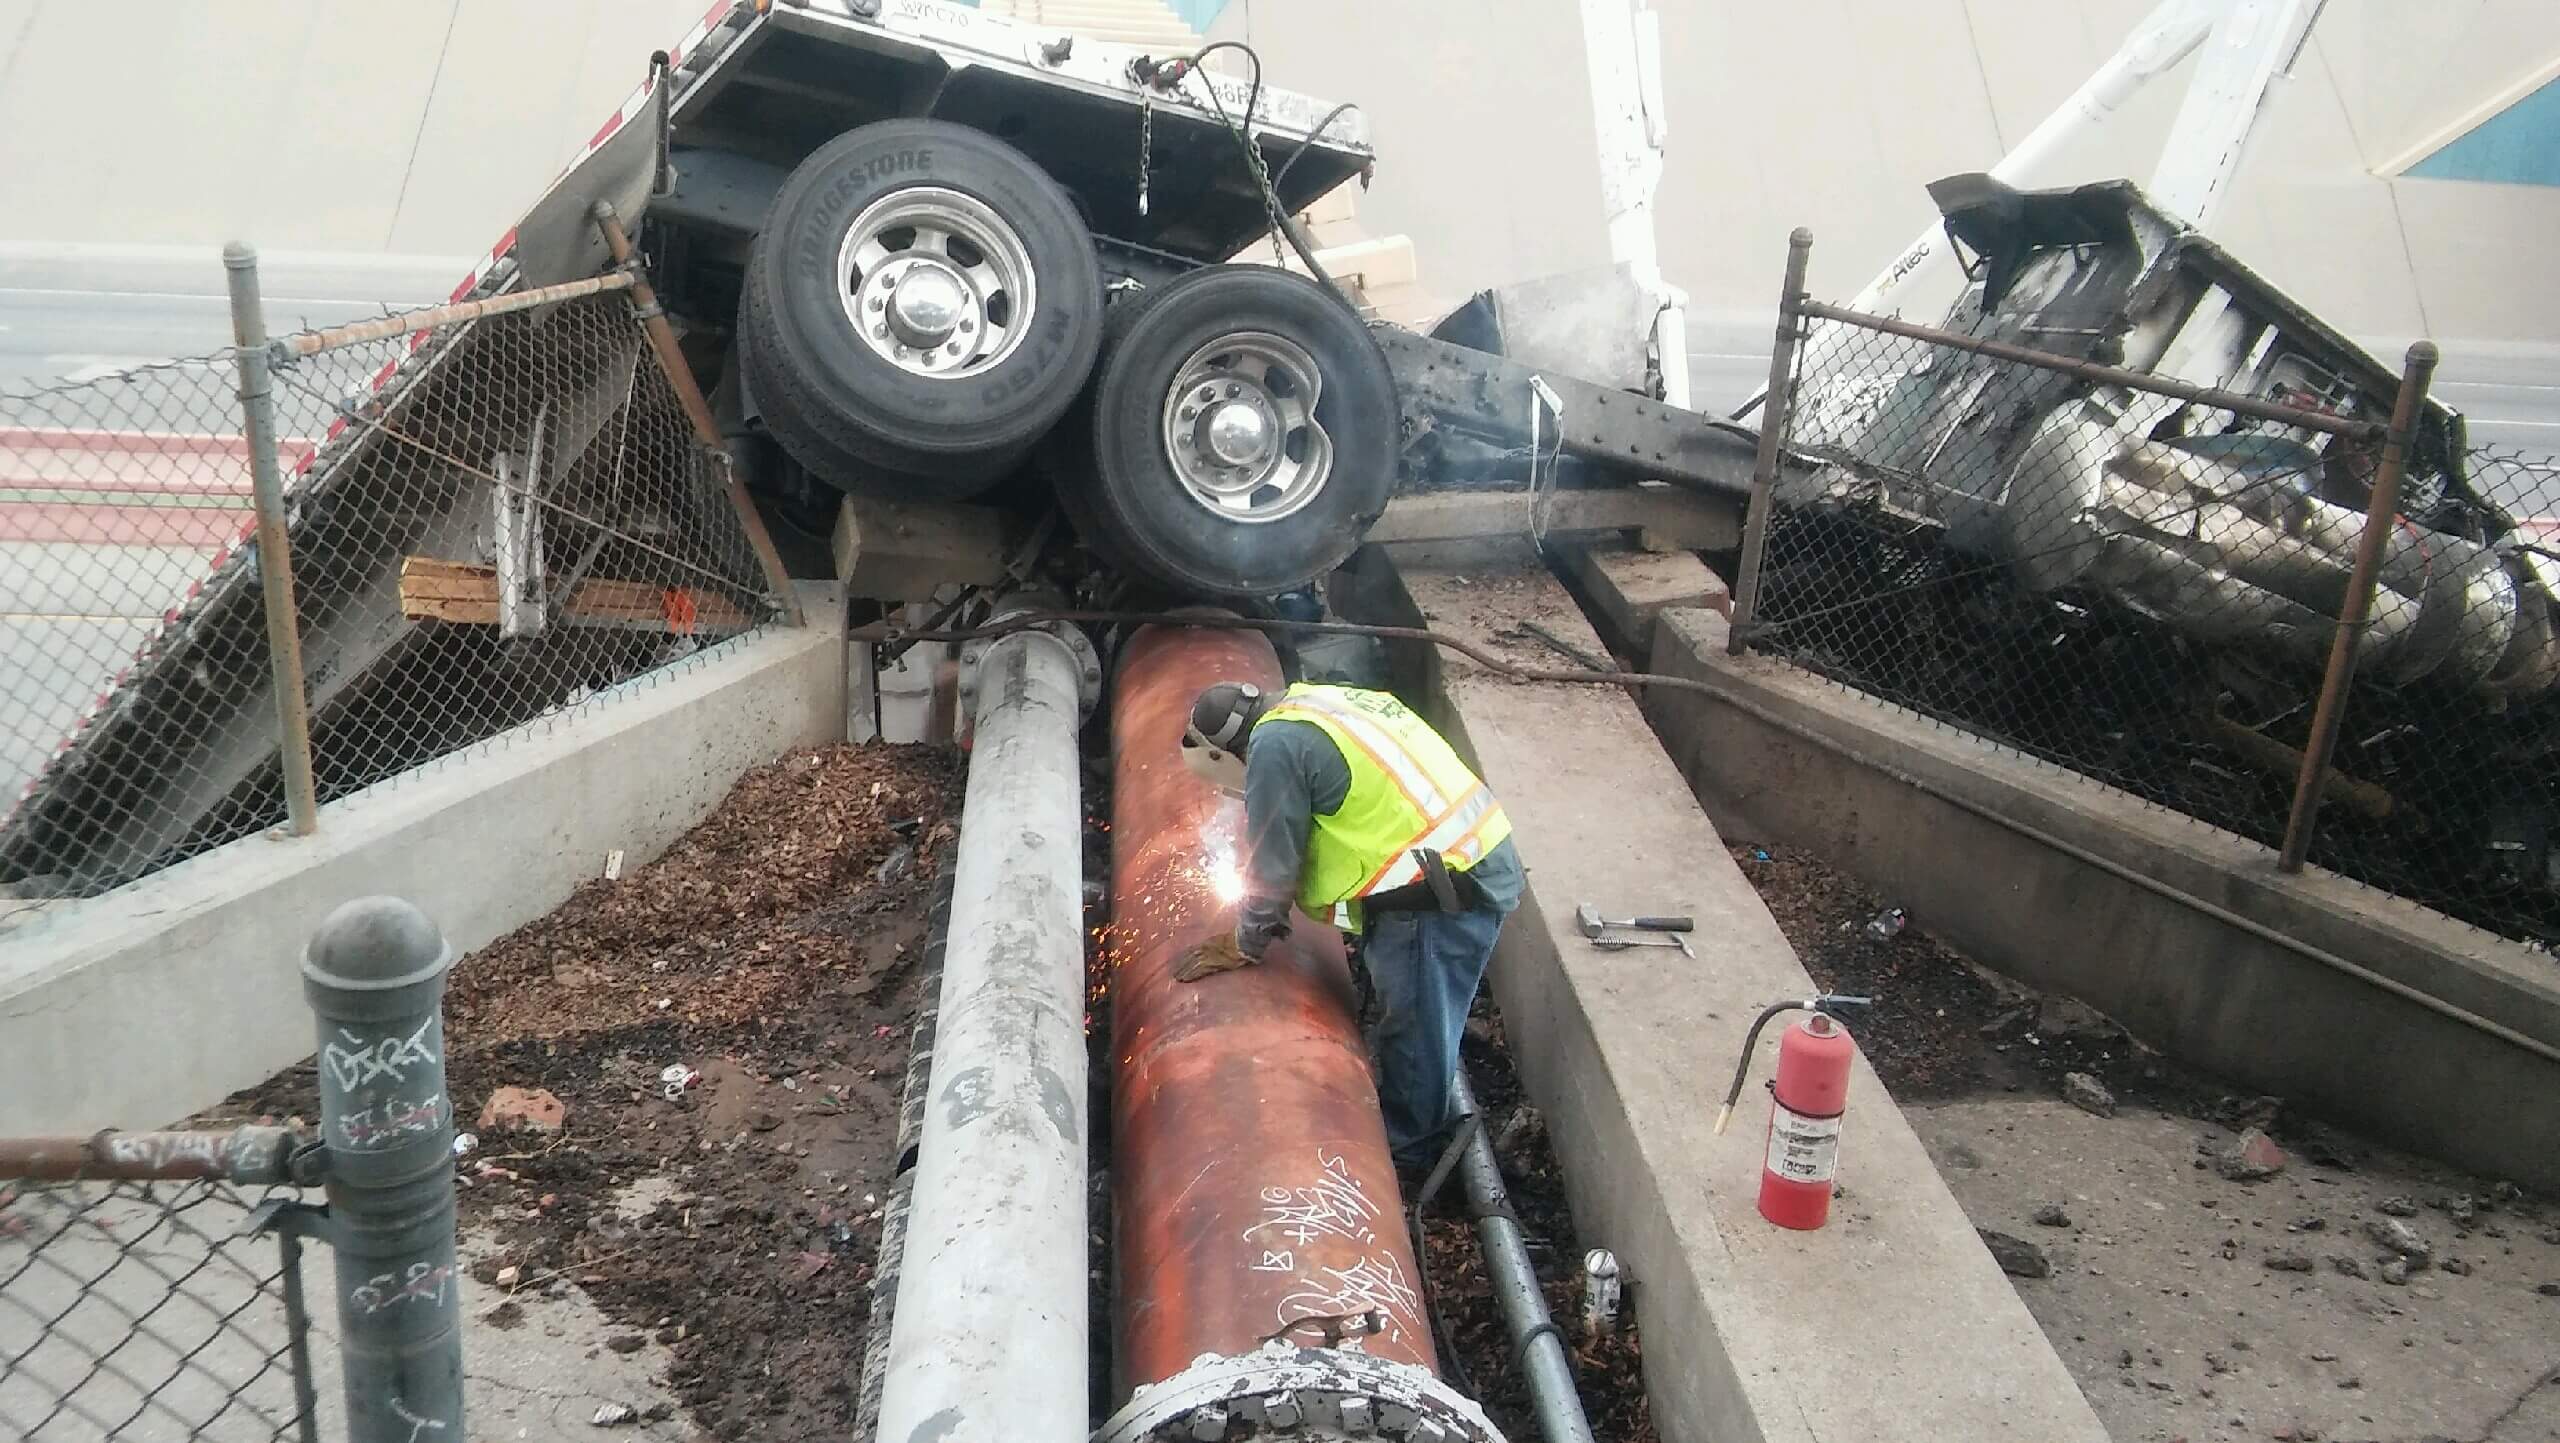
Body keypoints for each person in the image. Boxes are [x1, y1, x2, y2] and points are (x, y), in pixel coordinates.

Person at [1178, 678, 1524, 1172]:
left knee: (1414, 1029)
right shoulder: (1314, 701)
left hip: (1438, 895)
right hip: (1472, 855)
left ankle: (1406, 1160)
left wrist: (1247, 940)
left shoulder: (1273, 745)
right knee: (1415, 1015)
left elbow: (1274, 860)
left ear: (1223, 753)